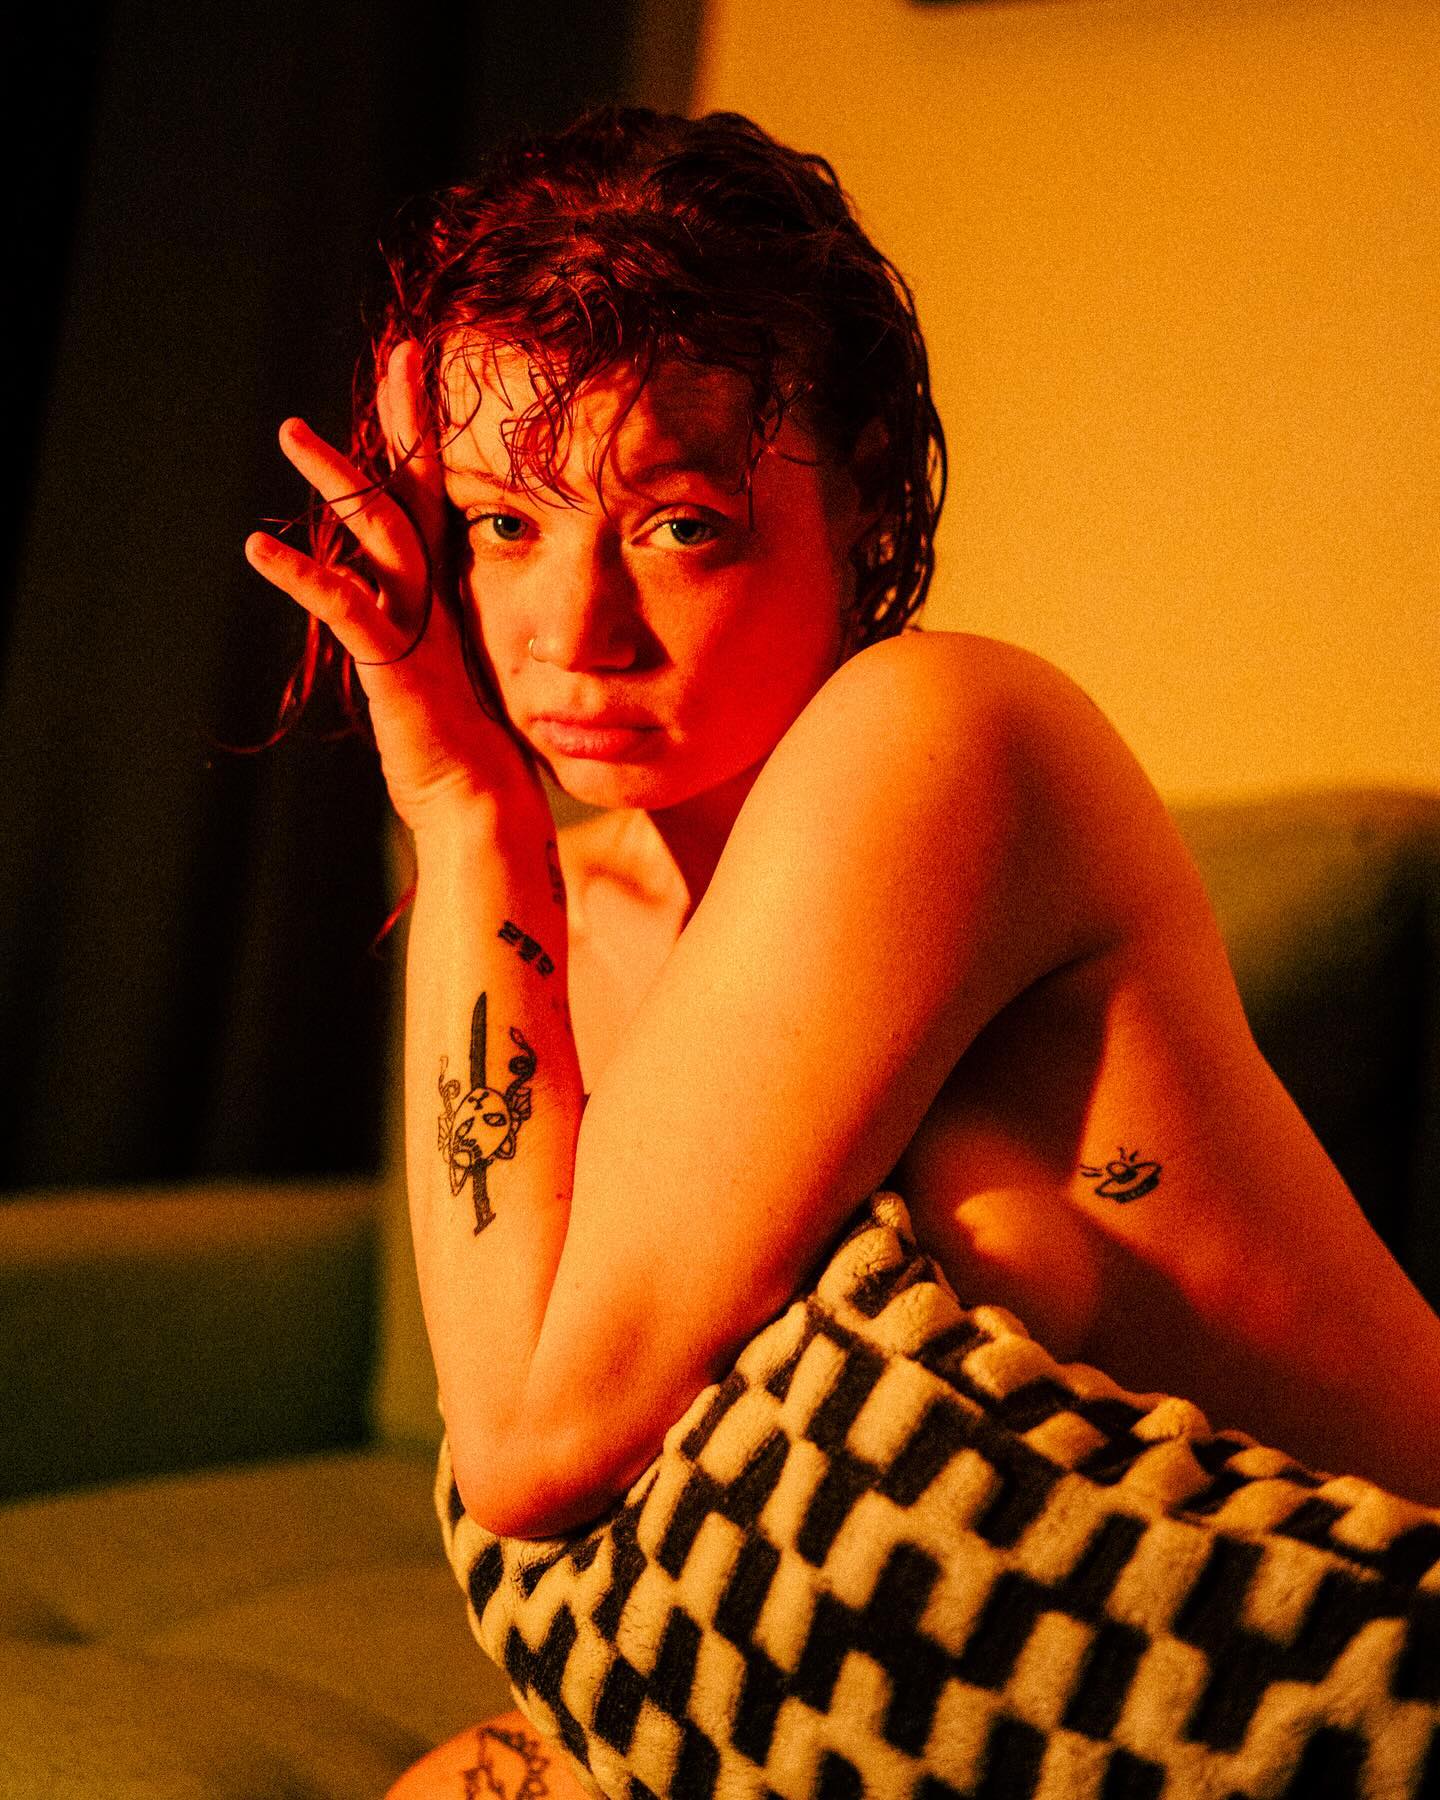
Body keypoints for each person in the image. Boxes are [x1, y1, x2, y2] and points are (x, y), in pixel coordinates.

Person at [244, 106, 1440, 1799]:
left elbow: (527, 1451)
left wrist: (457, 808)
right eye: (504, 524)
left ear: (865, 487)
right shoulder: (565, 925)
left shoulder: (941, 734)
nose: (573, 631)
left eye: (678, 523)